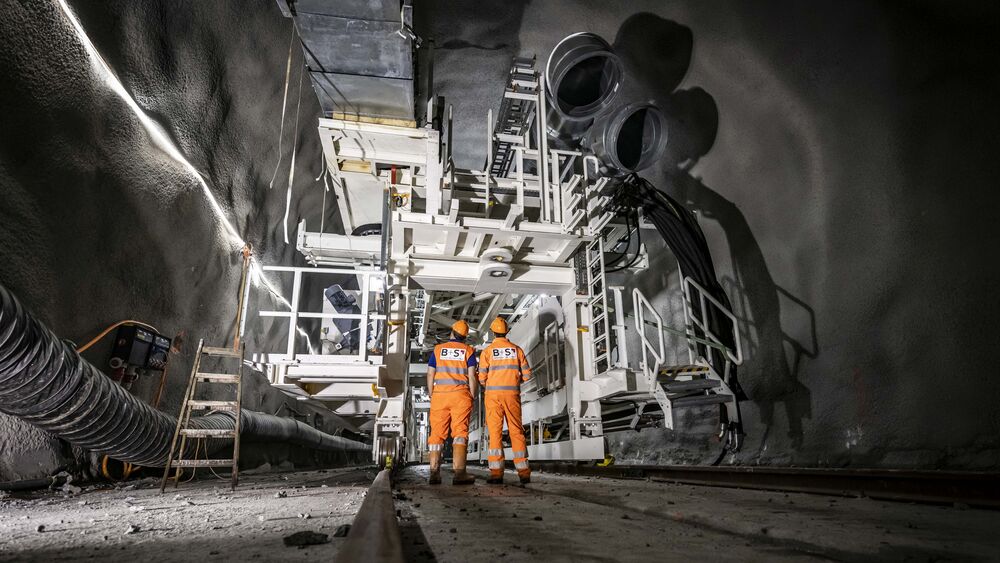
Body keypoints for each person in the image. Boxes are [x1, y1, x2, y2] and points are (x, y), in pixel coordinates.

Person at [479, 317, 532, 485]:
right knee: (516, 431)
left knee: (494, 433)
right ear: (507, 331)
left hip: (493, 397)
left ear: (493, 333)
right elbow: (527, 375)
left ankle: (496, 473)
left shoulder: (487, 352)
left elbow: (481, 378)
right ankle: (523, 472)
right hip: (512, 395)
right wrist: (514, 382)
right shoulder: (517, 350)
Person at [426, 320, 478, 485]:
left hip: (439, 396)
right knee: (460, 434)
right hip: (461, 396)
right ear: (464, 337)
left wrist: (431, 393)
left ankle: (434, 473)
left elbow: (430, 374)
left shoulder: (438, 350)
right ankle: (459, 473)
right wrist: (473, 395)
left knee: (436, 435)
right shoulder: (468, 351)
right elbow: (472, 376)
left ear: (452, 333)